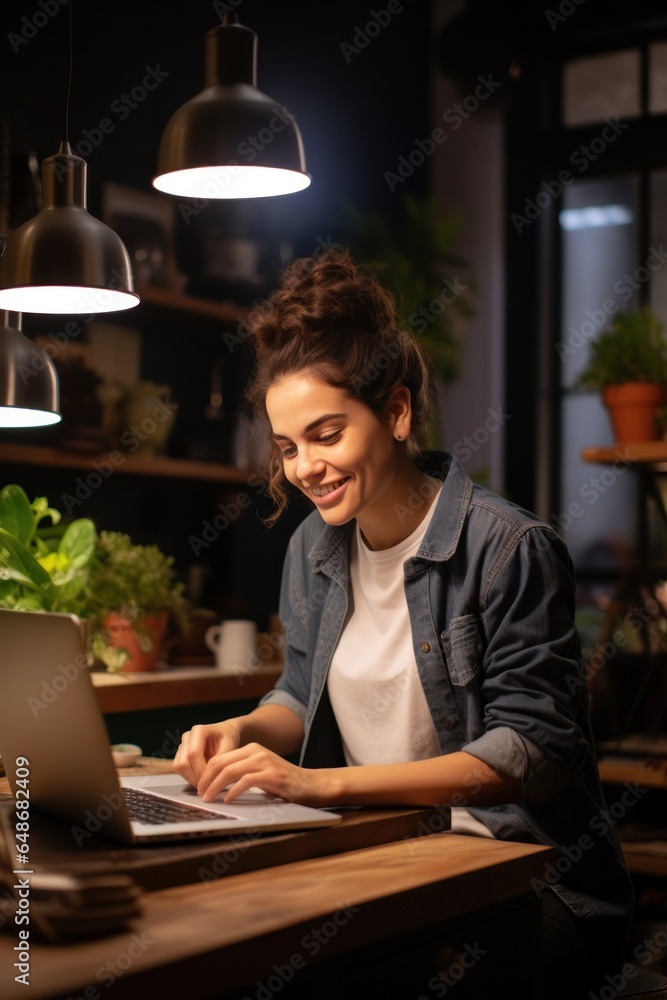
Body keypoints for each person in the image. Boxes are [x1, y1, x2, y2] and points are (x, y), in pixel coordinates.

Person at [174, 248, 634, 997]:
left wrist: (321, 787)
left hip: (535, 886)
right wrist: (243, 732)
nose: (304, 469)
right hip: (390, 855)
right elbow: (300, 691)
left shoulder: (507, 548)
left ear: (395, 411)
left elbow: (527, 752)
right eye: (288, 448)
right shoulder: (311, 549)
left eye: (326, 436)